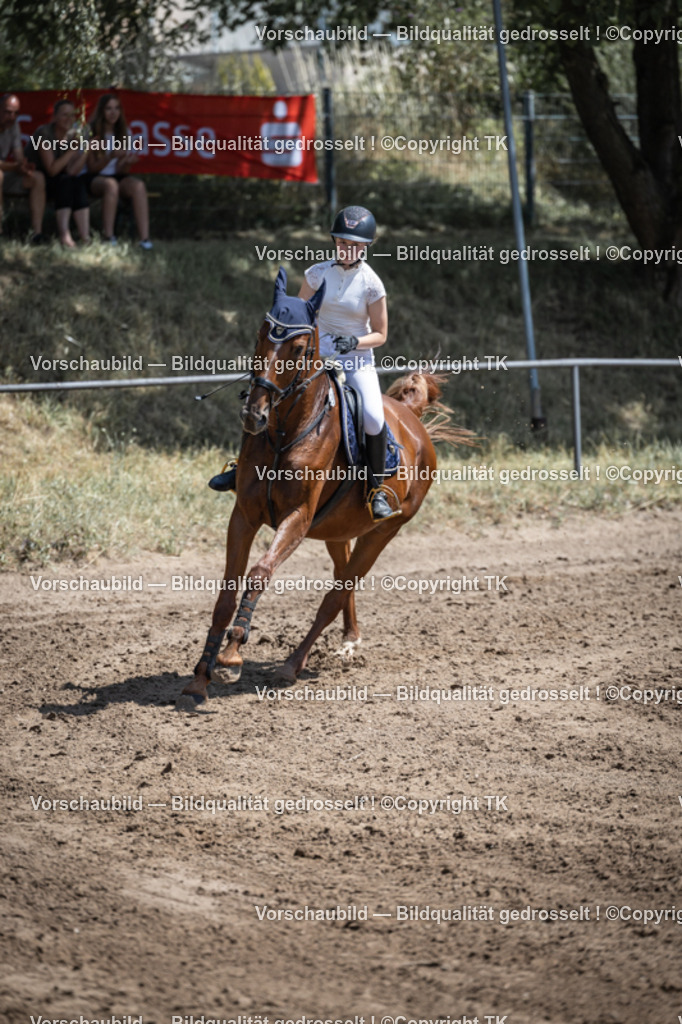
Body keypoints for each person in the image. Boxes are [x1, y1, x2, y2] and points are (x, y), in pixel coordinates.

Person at [209, 205, 397, 521]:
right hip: (314, 355)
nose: (346, 249)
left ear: (365, 247)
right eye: (341, 242)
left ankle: (375, 489)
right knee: (268, 396)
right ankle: (242, 467)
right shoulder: (316, 273)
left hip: (355, 360)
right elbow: (298, 318)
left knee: (373, 418)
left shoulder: (372, 284)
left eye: (353, 245)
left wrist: (355, 342)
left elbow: (381, 334)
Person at [86, 93, 152, 249]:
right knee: (111, 185)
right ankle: (109, 237)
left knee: (138, 186)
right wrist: (109, 156)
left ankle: (145, 239)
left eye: (116, 108)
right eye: (108, 108)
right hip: (94, 177)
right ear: (102, 111)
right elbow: (91, 167)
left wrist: (127, 162)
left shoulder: (125, 132)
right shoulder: (91, 131)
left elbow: (121, 170)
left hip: (117, 176)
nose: (113, 112)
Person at [33, 99, 90, 247]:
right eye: (65, 115)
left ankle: (86, 238)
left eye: (72, 116)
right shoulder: (44, 133)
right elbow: (51, 170)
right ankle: (65, 236)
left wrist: (85, 149)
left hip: (57, 180)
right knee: (64, 182)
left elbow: (72, 170)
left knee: (76, 182)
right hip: (37, 180)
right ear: (55, 117)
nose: (69, 119)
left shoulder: (72, 135)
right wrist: (73, 149)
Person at [0, 92, 46, 242]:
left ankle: (37, 234)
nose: (12, 117)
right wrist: (15, 167)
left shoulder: (14, 127)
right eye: (7, 112)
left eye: (15, 113)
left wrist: (24, 167)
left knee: (37, 177)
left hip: (5, 176)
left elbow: (19, 156)